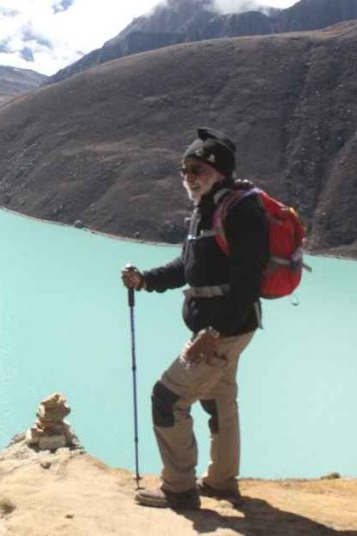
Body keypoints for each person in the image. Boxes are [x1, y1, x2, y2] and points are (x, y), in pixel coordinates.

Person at [122, 128, 268, 510]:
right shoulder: (206, 209)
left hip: (224, 329)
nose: (188, 175)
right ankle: (221, 483)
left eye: (197, 168)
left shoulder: (241, 212)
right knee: (220, 402)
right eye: (184, 168)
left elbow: (248, 282)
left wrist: (214, 331)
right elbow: (187, 267)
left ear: (219, 171)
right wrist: (146, 280)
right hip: (224, 327)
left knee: (167, 397)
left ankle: (179, 488)